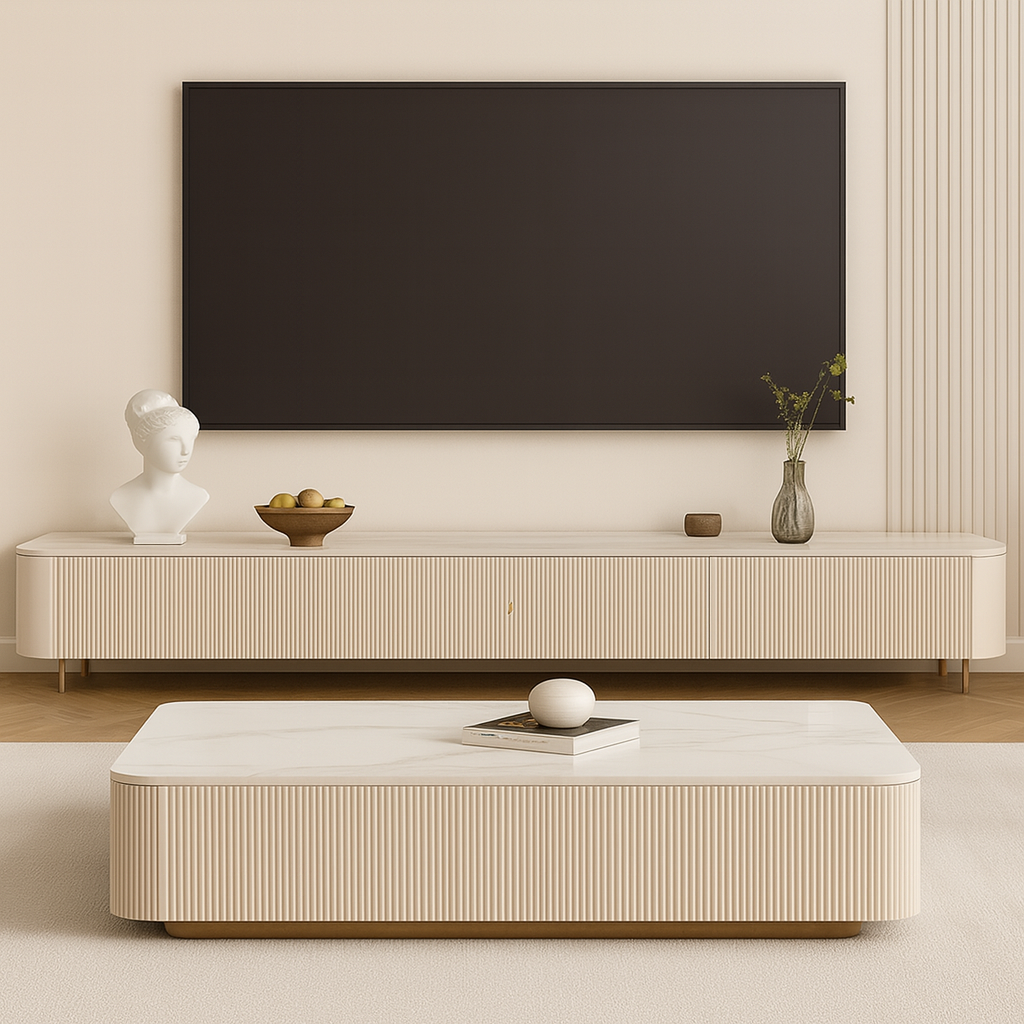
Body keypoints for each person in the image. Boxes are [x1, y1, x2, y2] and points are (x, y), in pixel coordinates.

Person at [109, 390, 209, 543]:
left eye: (191, 439)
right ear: (143, 442)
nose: (186, 450)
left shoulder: (198, 496)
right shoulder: (120, 497)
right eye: (174, 439)